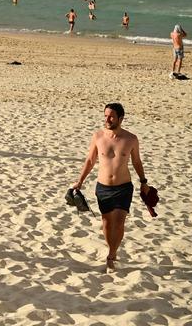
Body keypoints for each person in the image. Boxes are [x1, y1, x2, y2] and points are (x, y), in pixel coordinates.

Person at [70, 103, 151, 271]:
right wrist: (80, 181)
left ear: (120, 118)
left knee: (119, 223)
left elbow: (136, 161)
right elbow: (90, 161)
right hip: (103, 187)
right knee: (107, 223)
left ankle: (112, 254)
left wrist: (143, 182)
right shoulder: (98, 136)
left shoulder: (131, 139)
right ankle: (111, 249)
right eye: (105, 115)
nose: (107, 119)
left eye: (111, 116)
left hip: (124, 187)